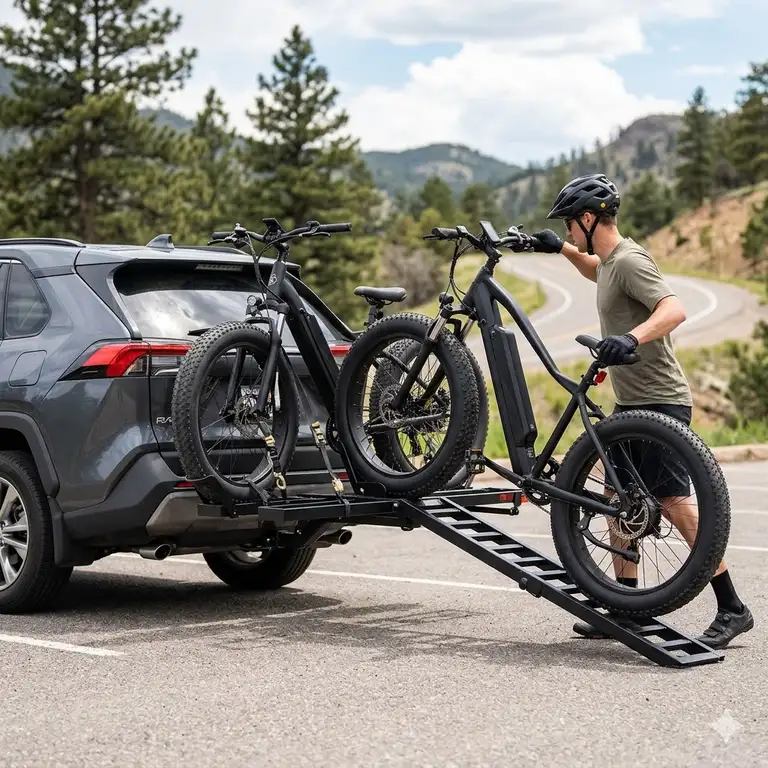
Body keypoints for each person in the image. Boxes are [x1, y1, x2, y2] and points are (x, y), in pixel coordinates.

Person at [532, 173, 753, 650]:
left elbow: (673, 309)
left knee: (671, 501)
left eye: (570, 224)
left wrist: (631, 338)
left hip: (660, 401)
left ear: (588, 218)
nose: (569, 230)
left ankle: (732, 607)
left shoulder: (631, 260)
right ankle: (626, 606)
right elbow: (596, 271)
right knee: (618, 500)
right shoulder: (610, 262)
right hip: (631, 404)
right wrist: (560, 248)